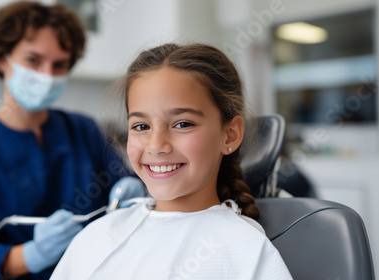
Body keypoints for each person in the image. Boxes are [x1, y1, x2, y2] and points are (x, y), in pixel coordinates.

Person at [0, 2, 143, 279]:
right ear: (1, 58)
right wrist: (32, 255)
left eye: (59, 65)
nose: (47, 75)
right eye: (33, 60)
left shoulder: (84, 130)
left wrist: (137, 191)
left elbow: (125, 193)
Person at [50, 43, 293, 279]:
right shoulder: (98, 235)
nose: (156, 145)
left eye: (182, 124)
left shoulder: (247, 251)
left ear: (230, 134)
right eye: (141, 126)